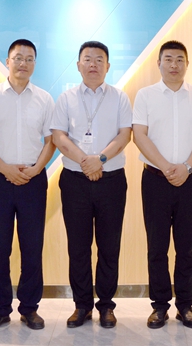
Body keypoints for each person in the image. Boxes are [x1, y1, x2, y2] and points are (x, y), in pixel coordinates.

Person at [0, 39, 55, 331]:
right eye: (18, 57)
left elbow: (51, 141)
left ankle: (29, 308)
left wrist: (35, 170)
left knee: (32, 247)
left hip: (33, 180)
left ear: (34, 64)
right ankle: (0, 309)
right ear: (8, 61)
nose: (23, 63)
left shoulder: (44, 99)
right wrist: (5, 169)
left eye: (29, 58)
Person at [51, 41, 132, 329]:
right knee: (78, 246)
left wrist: (100, 159)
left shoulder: (120, 98)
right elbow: (59, 137)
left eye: (99, 59)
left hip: (111, 180)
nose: (93, 64)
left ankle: (106, 306)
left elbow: (125, 135)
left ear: (108, 66)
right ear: (78, 65)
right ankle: (82, 305)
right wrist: (86, 161)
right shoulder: (66, 98)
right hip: (75, 180)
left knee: (109, 246)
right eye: (88, 59)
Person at [133, 40, 192, 329]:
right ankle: (159, 306)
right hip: (155, 179)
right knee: (157, 246)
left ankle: (185, 305)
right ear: (159, 63)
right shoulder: (145, 95)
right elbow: (139, 135)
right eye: (168, 59)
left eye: (180, 59)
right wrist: (166, 167)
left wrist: (186, 167)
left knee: (186, 247)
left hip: (189, 180)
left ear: (187, 64)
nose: (174, 65)